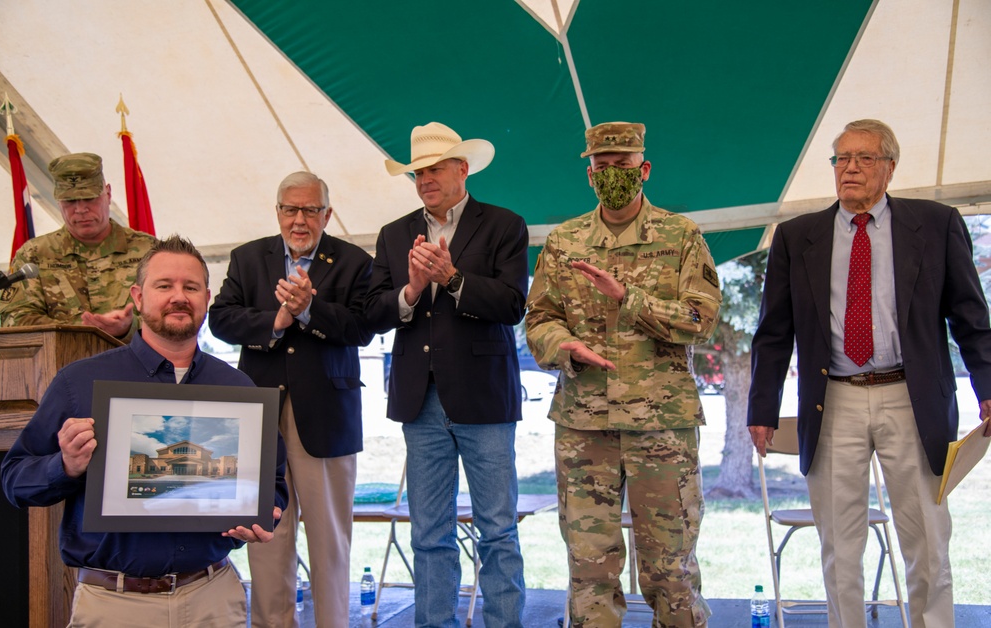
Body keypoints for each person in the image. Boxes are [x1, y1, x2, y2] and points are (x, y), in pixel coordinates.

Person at [747, 119, 991, 628]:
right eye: (841, 159)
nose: (850, 169)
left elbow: (971, 316)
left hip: (912, 397)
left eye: (864, 158)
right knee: (840, 545)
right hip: (834, 400)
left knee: (927, 539)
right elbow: (773, 331)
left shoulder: (937, 224)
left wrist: (989, 387)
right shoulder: (797, 236)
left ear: (890, 168)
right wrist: (762, 409)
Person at [0, 235, 288, 627]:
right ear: (137, 296)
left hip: (213, 599)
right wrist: (65, 465)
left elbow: (272, 482)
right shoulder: (78, 382)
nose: (178, 297)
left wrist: (261, 514)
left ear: (206, 298)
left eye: (190, 287)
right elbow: (15, 480)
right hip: (114, 604)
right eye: (164, 286)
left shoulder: (238, 390)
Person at [525, 121, 721, 627]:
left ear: (644, 169)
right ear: (589, 174)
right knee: (590, 568)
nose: (612, 173)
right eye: (602, 166)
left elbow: (700, 319)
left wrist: (627, 298)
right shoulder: (563, 241)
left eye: (623, 164)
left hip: (661, 427)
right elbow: (539, 317)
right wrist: (561, 345)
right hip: (584, 426)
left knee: (671, 568)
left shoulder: (681, 236)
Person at [364, 122, 527, 627]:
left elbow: (512, 304)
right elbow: (371, 315)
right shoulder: (394, 234)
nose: (425, 180)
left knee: (497, 528)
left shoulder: (504, 225)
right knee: (428, 532)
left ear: (463, 168)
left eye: (435, 169)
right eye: (418, 173)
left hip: (484, 399)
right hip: (421, 401)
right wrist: (411, 291)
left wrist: (453, 279)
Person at [208, 171, 374, 628]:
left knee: (330, 542)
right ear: (277, 210)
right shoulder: (247, 258)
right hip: (259, 414)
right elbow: (221, 318)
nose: (299, 220)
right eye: (290, 209)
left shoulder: (354, 260)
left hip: (325, 417)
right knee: (266, 536)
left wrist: (310, 310)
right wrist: (277, 320)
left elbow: (363, 326)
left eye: (310, 210)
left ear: (327, 214)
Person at [0, 152, 157, 340]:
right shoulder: (34, 255)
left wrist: (128, 328)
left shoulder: (149, 250)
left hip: (135, 366)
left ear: (108, 193)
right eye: (70, 201)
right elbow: (16, 319)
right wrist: (84, 331)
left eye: (90, 198)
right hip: (60, 366)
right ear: (58, 201)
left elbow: (170, 316)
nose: (80, 209)